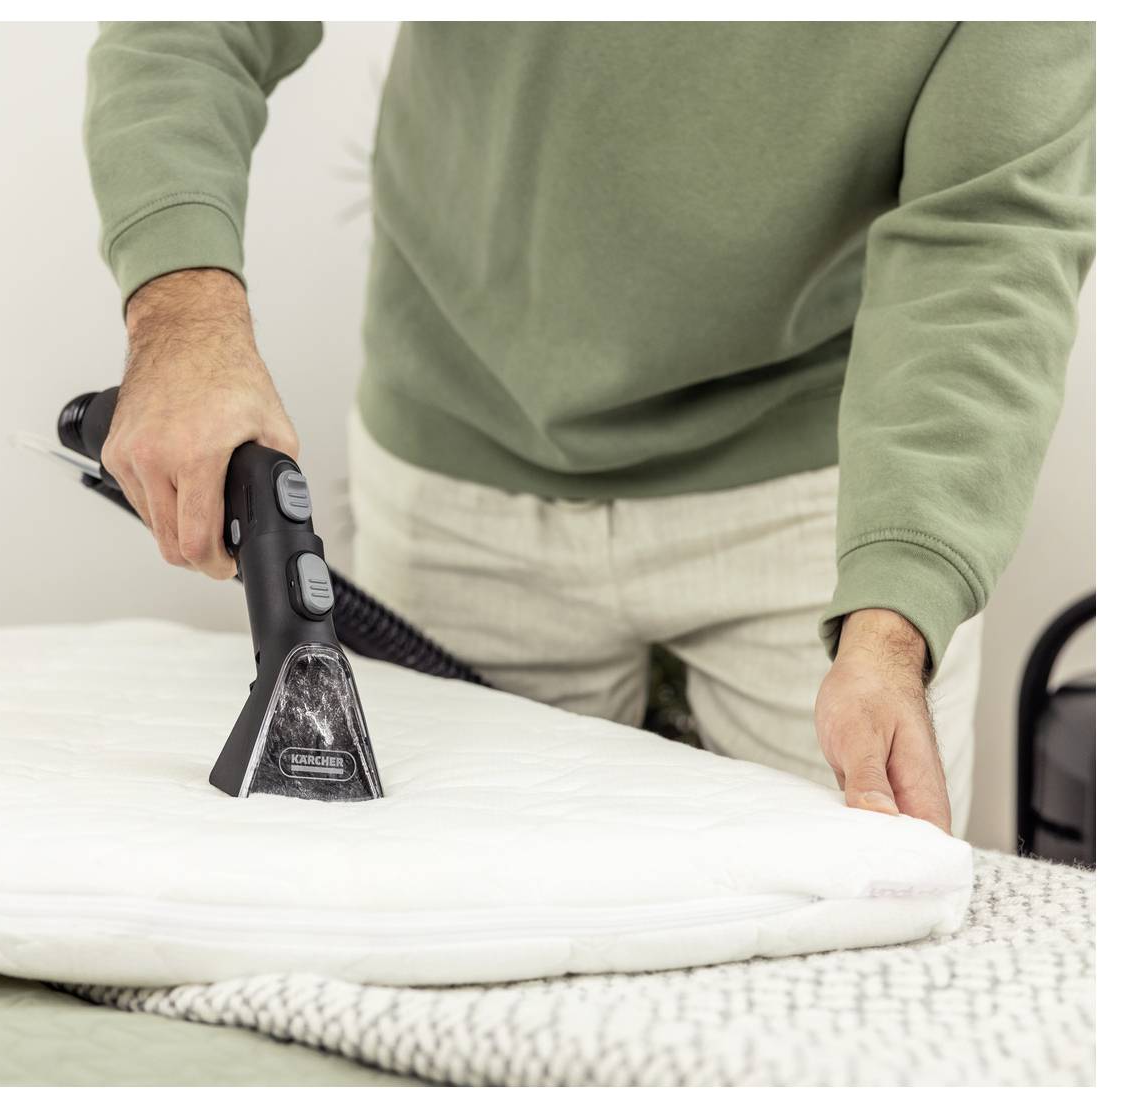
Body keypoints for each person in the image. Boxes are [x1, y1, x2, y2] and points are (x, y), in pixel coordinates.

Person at [82, 22, 1096, 836]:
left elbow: (988, 240)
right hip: (465, 456)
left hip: (815, 497)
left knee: (851, 934)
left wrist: (890, 624)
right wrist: (183, 315)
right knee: (443, 933)